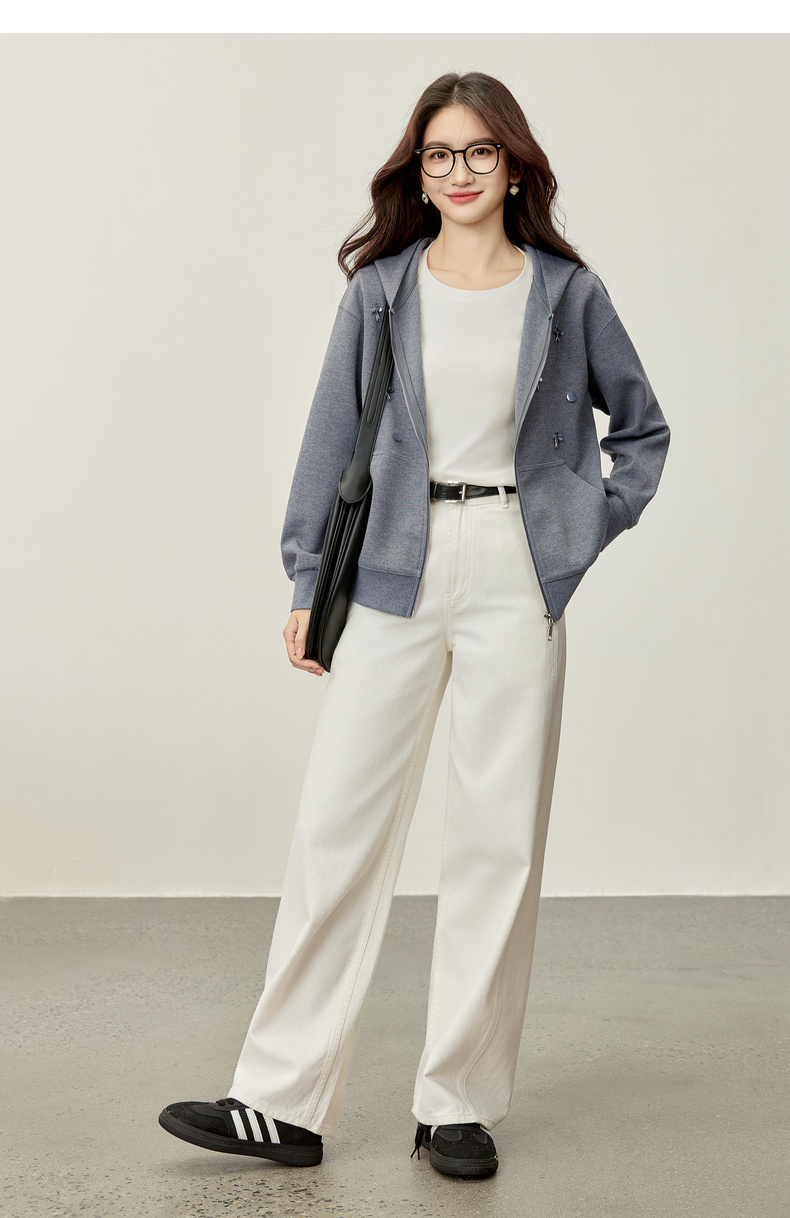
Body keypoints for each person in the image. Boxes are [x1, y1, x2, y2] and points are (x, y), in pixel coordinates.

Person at [158, 70, 670, 1181]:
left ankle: (457, 1105)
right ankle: (280, 1101)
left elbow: (642, 431)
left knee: (496, 839)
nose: (459, 171)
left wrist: (576, 530)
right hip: (393, 567)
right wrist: (307, 581)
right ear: (417, 173)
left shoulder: (567, 295)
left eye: (480, 152)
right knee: (335, 827)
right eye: (440, 154)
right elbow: (328, 434)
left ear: (515, 166)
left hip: (515, 574)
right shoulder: (382, 291)